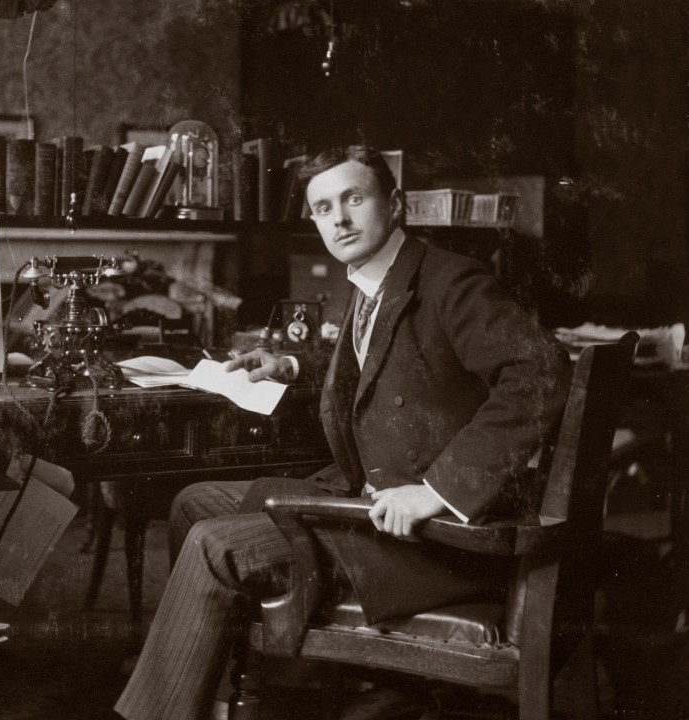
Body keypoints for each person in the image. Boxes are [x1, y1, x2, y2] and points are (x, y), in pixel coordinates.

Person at [114, 145, 572, 720]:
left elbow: (544, 371)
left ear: (396, 203)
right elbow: (379, 356)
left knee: (214, 543)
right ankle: (214, 682)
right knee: (194, 503)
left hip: (431, 536)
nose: (340, 219)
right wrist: (293, 365)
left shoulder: (453, 281)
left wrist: (436, 492)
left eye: (354, 199)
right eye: (323, 207)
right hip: (370, 501)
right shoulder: (375, 283)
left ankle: (165, 708)